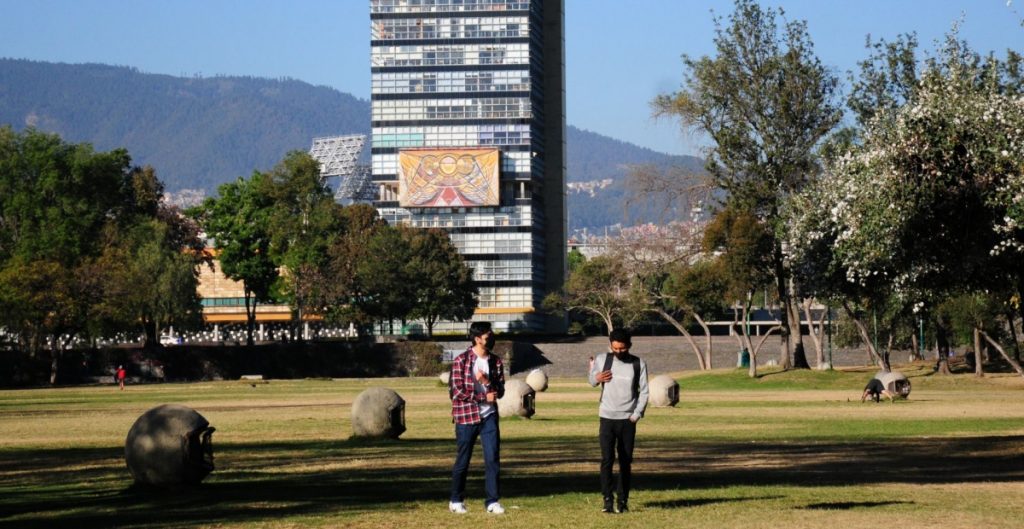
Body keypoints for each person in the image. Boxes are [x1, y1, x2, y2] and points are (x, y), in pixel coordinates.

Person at [588, 328, 649, 514]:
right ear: (610, 345)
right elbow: (591, 381)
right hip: (607, 417)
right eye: (615, 348)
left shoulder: (638, 364)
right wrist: (596, 377)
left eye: (622, 349)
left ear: (629, 346)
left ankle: (623, 501)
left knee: (625, 461)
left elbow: (644, 391)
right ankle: (607, 499)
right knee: (607, 459)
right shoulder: (602, 359)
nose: (619, 352)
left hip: (627, 420)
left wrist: (637, 414)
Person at [448, 321, 506, 515]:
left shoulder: (496, 362)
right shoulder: (461, 361)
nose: (490, 338)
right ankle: (456, 499)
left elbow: (501, 391)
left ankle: (492, 501)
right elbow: (457, 391)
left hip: (489, 416)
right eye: (487, 335)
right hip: (466, 417)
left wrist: (486, 381)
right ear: (477, 338)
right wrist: (482, 397)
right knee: (463, 460)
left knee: (492, 459)